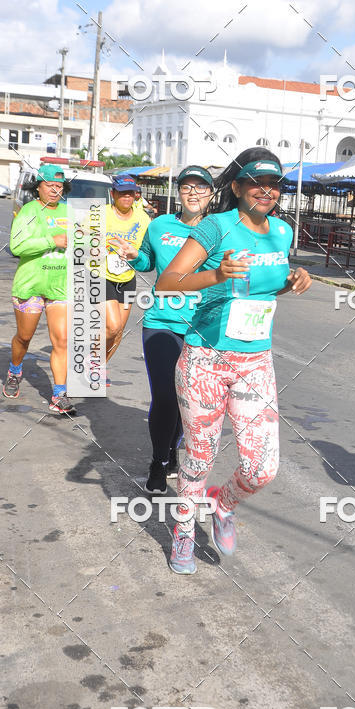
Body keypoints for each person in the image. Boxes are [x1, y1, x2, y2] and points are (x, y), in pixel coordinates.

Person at [156, 148, 312, 574]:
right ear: (239, 187)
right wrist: (217, 275)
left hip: (255, 361)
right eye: (257, 183)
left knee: (262, 468)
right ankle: (183, 532)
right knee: (199, 458)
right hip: (205, 359)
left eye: (274, 184)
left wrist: (293, 280)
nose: (267, 191)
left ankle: (222, 504)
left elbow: (262, 289)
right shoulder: (216, 226)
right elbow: (167, 282)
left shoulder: (281, 232)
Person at [112, 165, 214, 493]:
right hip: (161, 322)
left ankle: (172, 449)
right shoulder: (159, 225)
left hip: (202, 327)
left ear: (211, 193)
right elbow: (147, 261)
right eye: (187, 187)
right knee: (166, 396)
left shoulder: (219, 229)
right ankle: (158, 461)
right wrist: (133, 256)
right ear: (178, 192)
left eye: (201, 187)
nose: (193, 193)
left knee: (188, 399)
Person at [4, 163, 75, 414]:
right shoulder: (29, 211)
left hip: (60, 286)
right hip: (30, 285)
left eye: (59, 186)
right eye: (49, 185)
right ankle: (14, 370)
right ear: (39, 187)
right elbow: (16, 246)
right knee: (24, 337)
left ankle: (59, 394)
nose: (55, 190)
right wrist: (50, 240)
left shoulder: (70, 212)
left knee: (62, 340)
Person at [103, 175, 150, 375]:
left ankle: (98, 366)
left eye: (131, 193)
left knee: (118, 331)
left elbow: (147, 250)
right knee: (113, 326)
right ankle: (89, 359)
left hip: (127, 277)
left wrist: (134, 253)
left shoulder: (144, 219)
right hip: (100, 276)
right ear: (113, 194)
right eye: (122, 193)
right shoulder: (100, 214)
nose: (127, 197)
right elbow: (81, 239)